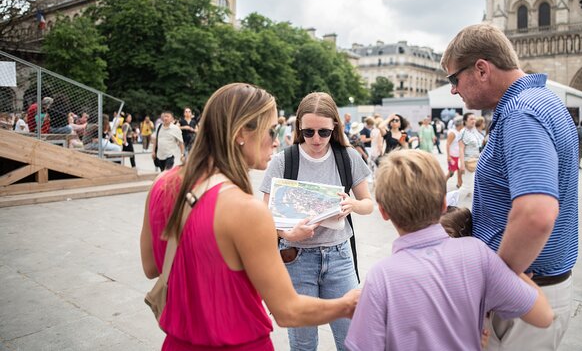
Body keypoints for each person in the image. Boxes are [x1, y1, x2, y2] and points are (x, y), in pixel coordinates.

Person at [140, 83, 358, 350]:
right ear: (242, 132)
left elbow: (151, 267)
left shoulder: (163, 184)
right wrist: (349, 304)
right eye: (271, 130)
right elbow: (288, 310)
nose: (277, 140)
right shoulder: (247, 210)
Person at [441, 23, 578, 350]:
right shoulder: (540, 100)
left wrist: (493, 287)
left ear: (481, 69)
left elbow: (536, 214)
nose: (453, 91)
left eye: (453, 79)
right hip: (535, 287)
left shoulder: (522, 113)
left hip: (523, 294)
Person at [345, 149, 553, 351]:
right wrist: (511, 271)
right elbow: (543, 316)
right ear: (444, 203)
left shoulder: (381, 277)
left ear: (383, 212)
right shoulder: (477, 254)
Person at [260, 91, 373, 351]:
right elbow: (263, 219)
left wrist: (351, 204)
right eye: (308, 132)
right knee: (302, 343)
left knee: (351, 339)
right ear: (299, 127)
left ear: (335, 126)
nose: (316, 139)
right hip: (296, 258)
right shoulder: (283, 160)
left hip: (340, 256)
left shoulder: (347, 156)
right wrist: (288, 234)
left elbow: (368, 204)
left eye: (324, 132)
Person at [458, 112, 484, 208]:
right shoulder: (463, 132)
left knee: (473, 187)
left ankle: (476, 208)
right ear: (465, 121)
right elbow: (461, 149)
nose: (473, 121)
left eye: (474, 119)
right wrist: (462, 164)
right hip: (468, 162)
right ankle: (449, 203)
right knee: (466, 187)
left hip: (476, 161)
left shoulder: (474, 131)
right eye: (471, 119)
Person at [446, 116, 464, 189]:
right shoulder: (453, 133)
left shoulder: (461, 132)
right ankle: (441, 183)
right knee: (451, 173)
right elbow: (447, 144)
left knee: (460, 172)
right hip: (452, 156)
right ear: (460, 124)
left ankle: (459, 184)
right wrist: (448, 156)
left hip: (458, 155)